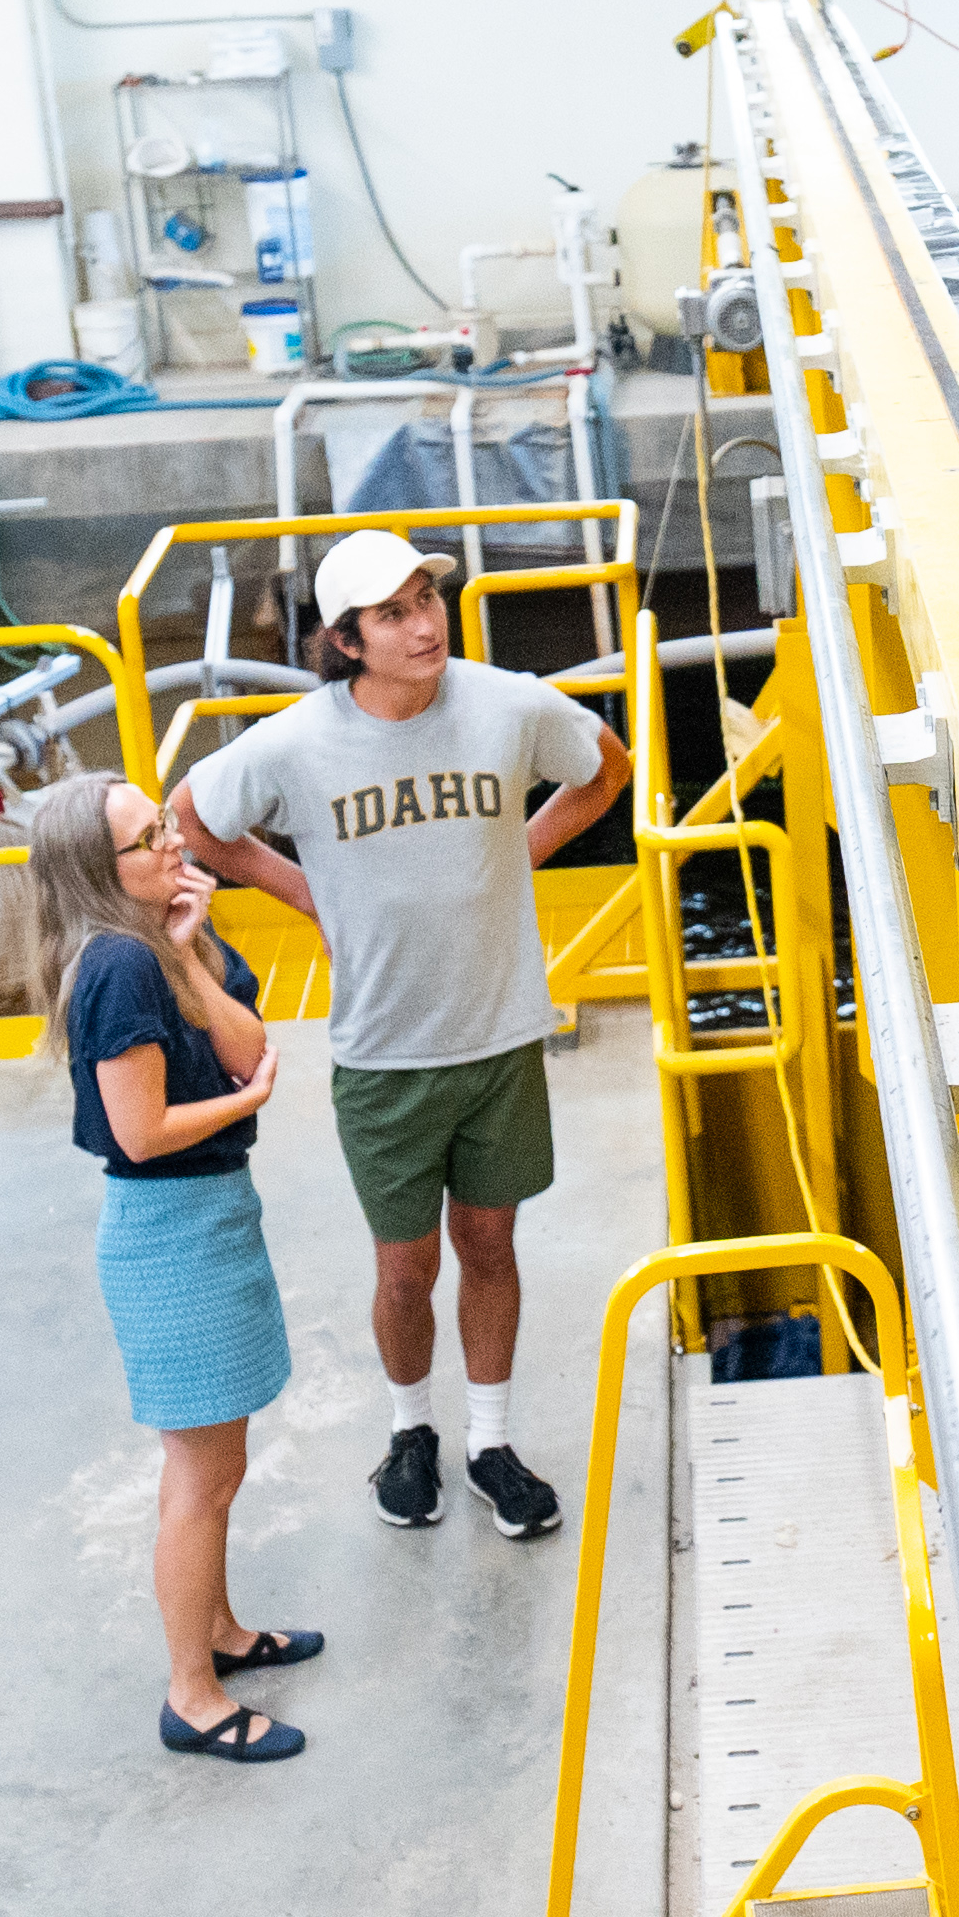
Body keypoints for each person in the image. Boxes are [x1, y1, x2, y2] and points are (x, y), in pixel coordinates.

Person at [178, 527, 630, 1541]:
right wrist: (307, 892)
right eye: (393, 614)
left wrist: (517, 851)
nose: (423, 625)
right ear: (346, 639)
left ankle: (491, 1442)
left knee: (492, 1245)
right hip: (383, 1055)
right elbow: (194, 819)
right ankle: (409, 1430)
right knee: (405, 1268)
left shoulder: (507, 704)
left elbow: (606, 769)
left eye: (426, 600)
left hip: (500, 1035)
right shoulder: (299, 742)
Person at [29, 774, 324, 1763]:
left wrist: (192, 947)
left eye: (162, 823)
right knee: (201, 1475)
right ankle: (192, 1697)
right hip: (170, 1230)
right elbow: (143, 1131)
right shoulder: (115, 966)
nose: (171, 840)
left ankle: (222, 1632)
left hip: (208, 1216)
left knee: (216, 1464)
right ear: (97, 874)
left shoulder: (161, 942)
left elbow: (250, 1048)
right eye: (145, 838)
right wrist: (246, 1107)